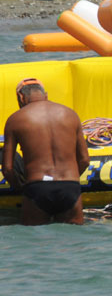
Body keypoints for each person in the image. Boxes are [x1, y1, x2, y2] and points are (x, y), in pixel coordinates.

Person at [1, 78, 90, 225]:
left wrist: (20, 188)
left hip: (37, 186)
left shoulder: (15, 119)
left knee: (34, 237)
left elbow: (8, 168)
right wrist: (69, 180)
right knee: (73, 238)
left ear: (21, 97)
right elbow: (84, 160)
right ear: (46, 95)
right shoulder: (71, 115)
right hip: (69, 186)